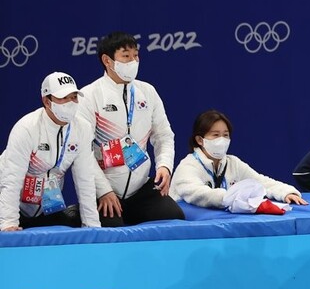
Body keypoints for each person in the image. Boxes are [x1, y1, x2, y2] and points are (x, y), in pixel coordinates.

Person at [77, 31, 184, 226]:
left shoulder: (148, 92)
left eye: (136, 55)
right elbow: (82, 151)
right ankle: (78, 212)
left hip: (141, 189)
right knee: (113, 230)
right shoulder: (89, 96)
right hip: (106, 190)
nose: (133, 61)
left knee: (174, 216)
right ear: (107, 61)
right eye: (126, 56)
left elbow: (164, 136)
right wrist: (103, 191)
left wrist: (165, 166)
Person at [0, 72, 101, 231]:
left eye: (74, 97)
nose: (71, 102)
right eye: (64, 98)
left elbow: (85, 179)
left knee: (74, 227)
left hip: (47, 208)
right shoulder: (27, 128)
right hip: (7, 205)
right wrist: (8, 223)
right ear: (47, 101)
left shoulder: (82, 128)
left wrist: (92, 226)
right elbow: (11, 179)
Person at [170, 110, 306, 210]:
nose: (221, 140)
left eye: (225, 135)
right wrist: (235, 197)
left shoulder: (232, 163)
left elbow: (260, 182)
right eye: (215, 135)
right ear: (200, 140)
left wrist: (286, 192)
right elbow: (198, 193)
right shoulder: (188, 166)